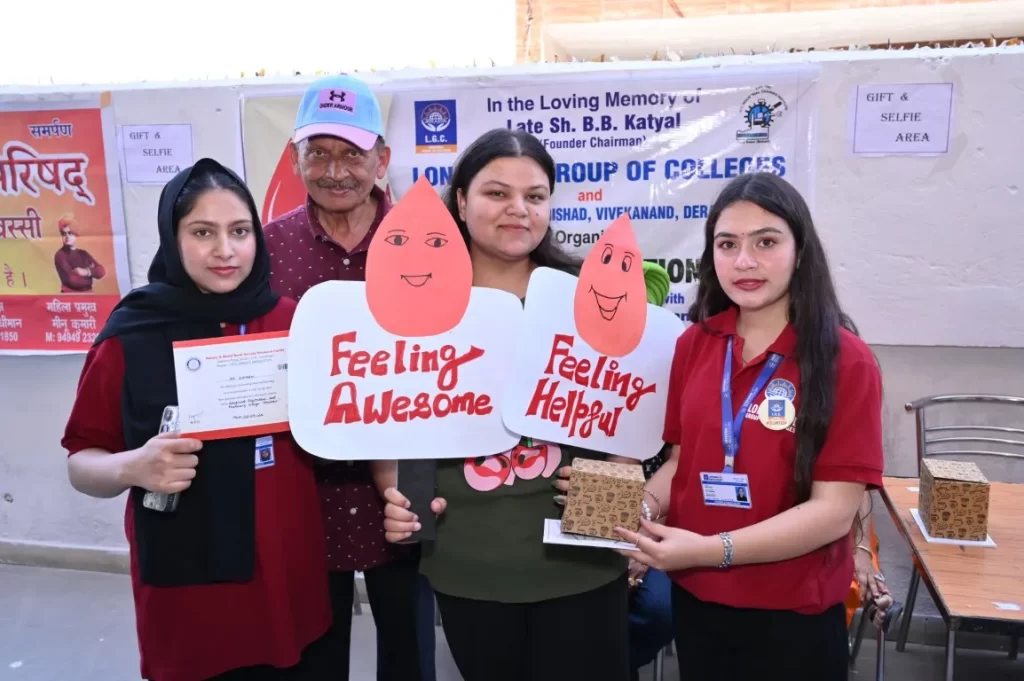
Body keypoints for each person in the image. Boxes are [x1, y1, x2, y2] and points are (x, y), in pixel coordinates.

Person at [61, 159, 333, 681]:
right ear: (172, 237)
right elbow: (81, 464)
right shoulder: (131, 335)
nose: (225, 250)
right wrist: (132, 467)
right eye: (203, 232)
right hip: (188, 589)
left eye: (240, 231)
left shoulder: (294, 321)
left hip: (285, 575)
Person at [381, 128, 631, 681]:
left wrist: (616, 513)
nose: (518, 209)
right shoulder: (413, 300)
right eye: (497, 193)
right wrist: (397, 497)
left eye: (535, 196)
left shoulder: (590, 296)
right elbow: (388, 423)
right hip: (468, 564)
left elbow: (628, 423)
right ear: (461, 200)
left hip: (582, 561)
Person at [618, 172, 884, 681]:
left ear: (800, 252)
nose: (744, 261)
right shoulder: (694, 344)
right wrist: (640, 512)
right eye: (728, 244)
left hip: (794, 612)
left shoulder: (846, 361)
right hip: (698, 599)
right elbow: (680, 463)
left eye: (765, 242)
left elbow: (833, 513)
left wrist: (711, 549)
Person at [262, 73, 427, 681]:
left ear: (382, 159)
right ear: (295, 158)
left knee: (410, 643)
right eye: (319, 153)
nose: (336, 171)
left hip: (411, 473)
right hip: (305, 476)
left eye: (353, 154)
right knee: (316, 649)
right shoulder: (266, 247)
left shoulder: (426, 243)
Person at [54, 215, 106, 292]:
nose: (67, 237)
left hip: (89, 294)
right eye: (64, 234)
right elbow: (72, 281)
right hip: (70, 295)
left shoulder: (83, 253)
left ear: (76, 235)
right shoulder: (60, 255)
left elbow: (101, 271)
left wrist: (86, 272)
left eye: (70, 233)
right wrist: (92, 273)